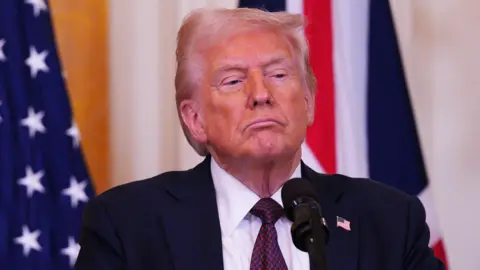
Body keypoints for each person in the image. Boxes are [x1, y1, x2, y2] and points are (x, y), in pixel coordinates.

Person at [74, 7, 445, 270]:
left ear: (308, 102)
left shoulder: (389, 220)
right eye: (234, 80)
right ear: (195, 119)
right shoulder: (128, 224)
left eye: (279, 75)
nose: (261, 94)